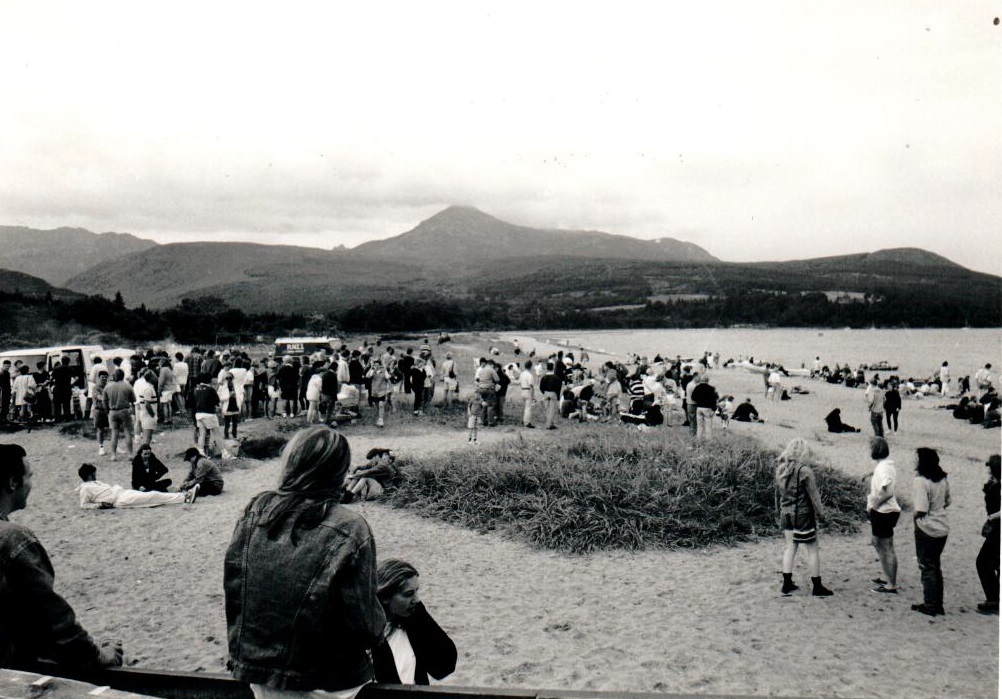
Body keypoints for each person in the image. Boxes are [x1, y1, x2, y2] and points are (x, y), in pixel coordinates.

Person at [224, 426, 385, 697]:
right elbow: (365, 625)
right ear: (339, 472)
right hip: (327, 679)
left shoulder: (256, 510)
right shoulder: (350, 527)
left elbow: (234, 590)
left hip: (260, 674)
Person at [0, 443, 124, 668]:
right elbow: (50, 618)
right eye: (30, 476)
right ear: (13, 483)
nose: (31, 483)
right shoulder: (12, 539)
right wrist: (97, 655)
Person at [372, 559, 457, 685]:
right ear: (385, 597)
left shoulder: (413, 618)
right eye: (408, 594)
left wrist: (421, 616)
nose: (416, 600)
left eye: (417, 591)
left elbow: (445, 666)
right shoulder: (366, 631)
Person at [775, 438, 833, 597]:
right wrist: (822, 515)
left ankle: (786, 584)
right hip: (802, 515)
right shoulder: (805, 470)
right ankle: (817, 586)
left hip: (785, 513)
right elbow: (814, 496)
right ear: (804, 453)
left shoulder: (782, 468)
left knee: (790, 547)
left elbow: (778, 495)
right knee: (812, 550)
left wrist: (779, 511)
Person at [911, 447, 950, 616]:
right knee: (935, 566)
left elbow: (921, 508)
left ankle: (931, 604)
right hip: (942, 526)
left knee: (927, 566)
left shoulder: (920, 481)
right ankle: (937, 603)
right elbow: (948, 500)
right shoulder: (942, 479)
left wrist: (915, 519)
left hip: (927, 527)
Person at [78, 463, 195, 508]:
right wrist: (99, 505)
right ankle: (185, 497)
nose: (95, 475)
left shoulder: (95, 483)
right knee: (152, 496)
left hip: (122, 493)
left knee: (151, 496)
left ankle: (183, 496)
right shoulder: (86, 488)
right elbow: (84, 505)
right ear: (88, 475)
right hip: (119, 500)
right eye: (93, 473)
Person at [866, 437, 901, 594]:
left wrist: (874, 505)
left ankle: (891, 584)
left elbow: (888, 492)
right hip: (884, 511)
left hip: (884, 511)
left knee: (886, 546)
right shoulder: (885, 465)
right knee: (878, 543)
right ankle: (887, 576)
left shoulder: (883, 468)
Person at [976, 454, 1000, 615]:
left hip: (998, 526)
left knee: (983, 561)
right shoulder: (995, 484)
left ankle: (993, 598)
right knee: (994, 561)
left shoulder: (998, 486)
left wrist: (992, 517)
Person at [103, 369, 136, 459]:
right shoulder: (128, 386)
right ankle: (130, 454)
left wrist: (107, 411)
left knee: (114, 433)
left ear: (115, 376)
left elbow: (104, 401)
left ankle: (113, 455)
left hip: (113, 411)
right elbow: (133, 400)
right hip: (125, 410)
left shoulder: (108, 387)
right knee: (128, 432)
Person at [690, 374, 718, 440]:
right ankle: (708, 439)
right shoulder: (711, 388)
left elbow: (693, 397)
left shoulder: (697, 387)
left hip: (699, 408)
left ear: (701, 380)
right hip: (707, 408)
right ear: (708, 380)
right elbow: (714, 400)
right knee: (708, 425)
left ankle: (699, 438)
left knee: (699, 425)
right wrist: (714, 409)